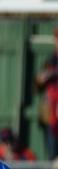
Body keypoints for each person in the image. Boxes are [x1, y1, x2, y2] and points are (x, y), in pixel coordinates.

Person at [36, 28, 58, 158]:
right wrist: (42, 78)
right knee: (52, 152)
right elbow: (38, 84)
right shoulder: (51, 60)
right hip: (51, 111)